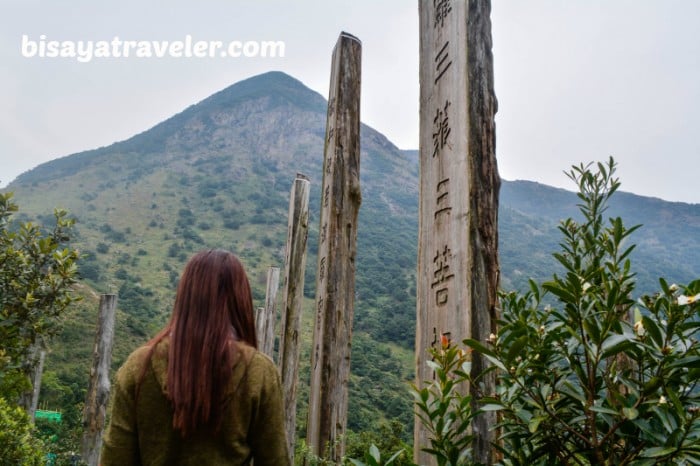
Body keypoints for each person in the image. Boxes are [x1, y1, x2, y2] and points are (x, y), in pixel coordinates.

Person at [101, 249, 290, 465]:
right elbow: (276, 460)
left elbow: (115, 457)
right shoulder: (258, 371)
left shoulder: (138, 366)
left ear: (185, 298)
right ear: (240, 301)